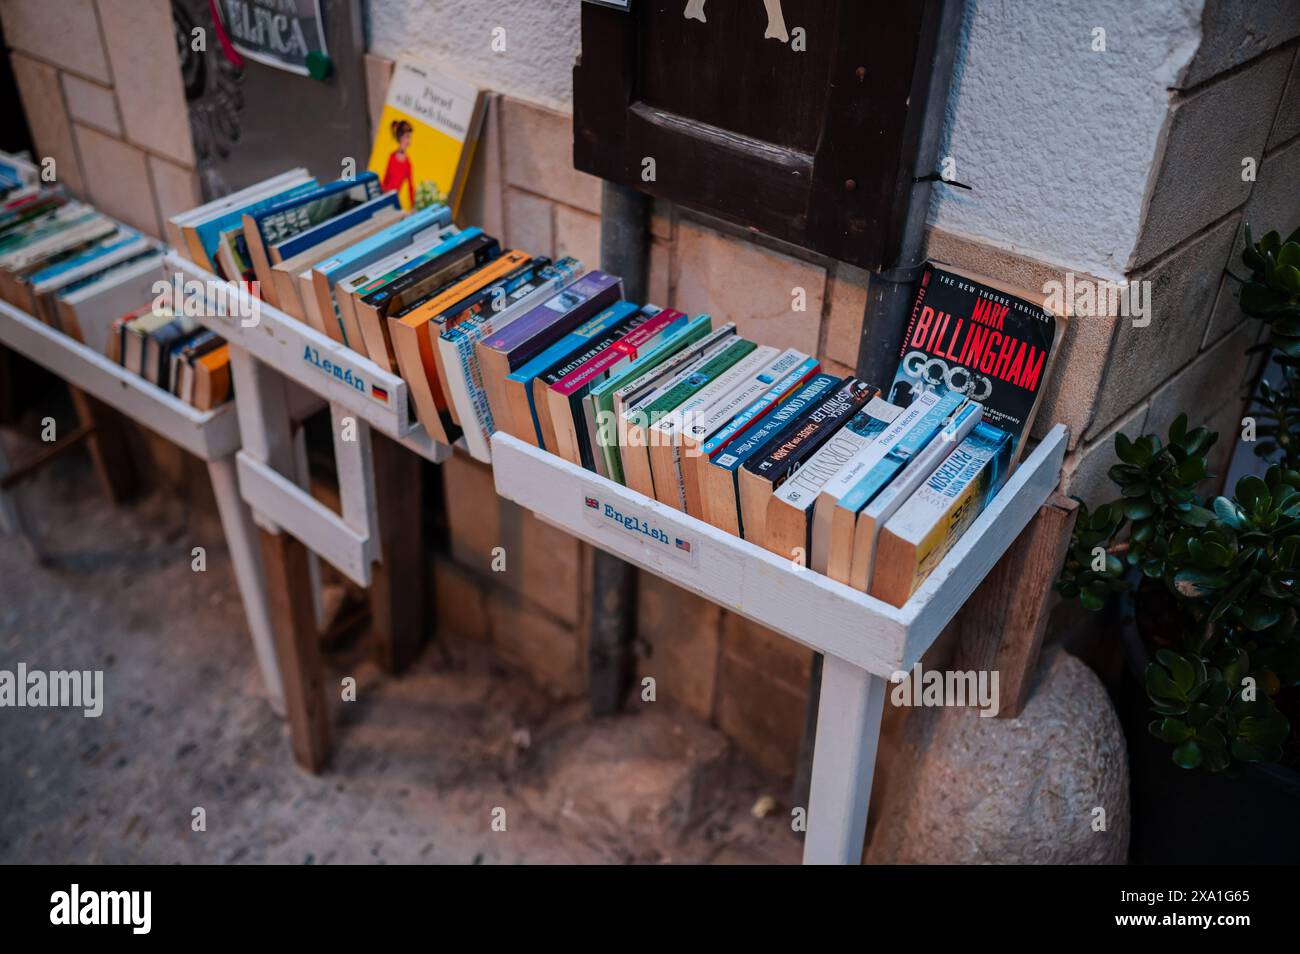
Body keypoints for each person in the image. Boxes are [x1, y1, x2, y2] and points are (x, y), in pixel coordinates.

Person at [382, 119, 415, 208]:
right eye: (407, 137)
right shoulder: (392, 157)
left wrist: (413, 206)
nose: (409, 141)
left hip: (393, 200)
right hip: (384, 197)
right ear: (401, 138)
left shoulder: (407, 163)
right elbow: (385, 180)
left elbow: (410, 187)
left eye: (410, 137)